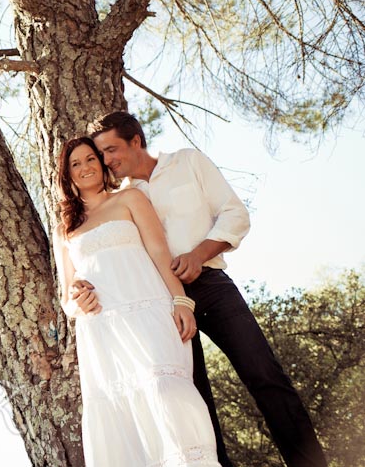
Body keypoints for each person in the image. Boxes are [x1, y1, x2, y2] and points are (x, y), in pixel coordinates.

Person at [87, 110, 327, 467]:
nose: (107, 161)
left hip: (212, 286)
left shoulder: (188, 162)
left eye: (111, 150)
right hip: (163, 304)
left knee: (264, 374)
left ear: (136, 140)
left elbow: (234, 214)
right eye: (101, 153)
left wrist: (199, 255)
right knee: (193, 400)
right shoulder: (121, 198)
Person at [52, 136, 219, 467]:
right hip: (102, 329)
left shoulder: (130, 198)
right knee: (122, 413)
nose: (85, 167)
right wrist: (77, 301)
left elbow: (159, 252)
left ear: (101, 164)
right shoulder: (65, 229)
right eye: (76, 164)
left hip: (149, 310)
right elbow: (67, 295)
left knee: (166, 389)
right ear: (67, 175)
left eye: (90, 159)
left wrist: (181, 302)